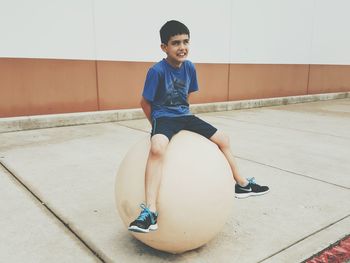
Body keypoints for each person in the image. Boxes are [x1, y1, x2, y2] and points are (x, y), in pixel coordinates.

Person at [128, 20, 269, 233]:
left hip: (184, 116)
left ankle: (241, 184)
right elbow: (144, 103)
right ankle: (150, 211)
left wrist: (184, 117)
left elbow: (186, 96)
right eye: (175, 43)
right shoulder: (156, 71)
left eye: (185, 42)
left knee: (223, 138)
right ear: (164, 47)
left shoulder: (190, 67)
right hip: (164, 118)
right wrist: (156, 126)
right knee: (157, 148)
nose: (182, 47)